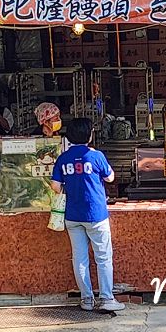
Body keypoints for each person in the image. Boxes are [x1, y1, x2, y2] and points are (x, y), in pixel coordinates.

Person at [50, 117, 124, 313]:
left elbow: (55, 187)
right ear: (89, 135)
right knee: (103, 257)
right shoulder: (96, 156)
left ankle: (86, 299)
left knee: (79, 258)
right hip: (96, 214)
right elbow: (110, 177)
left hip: (72, 215)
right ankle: (107, 298)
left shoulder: (63, 158)